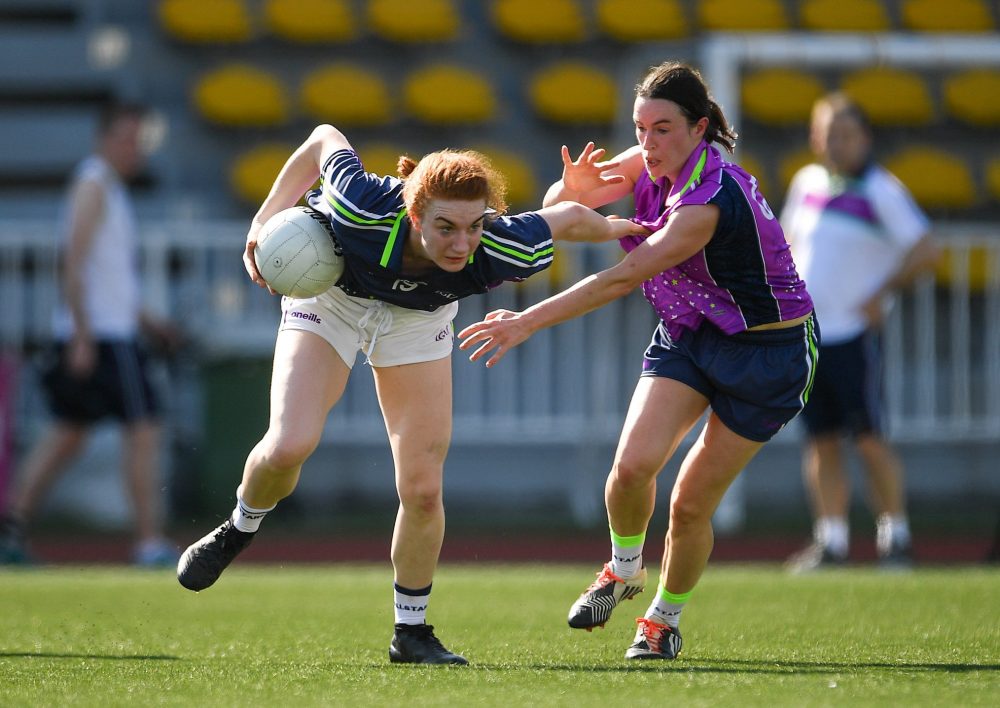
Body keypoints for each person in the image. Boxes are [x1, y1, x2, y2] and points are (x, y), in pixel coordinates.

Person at [174, 123, 646, 666]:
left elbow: (565, 220)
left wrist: (624, 229)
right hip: (333, 302)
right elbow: (324, 137)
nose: (461, 243)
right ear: (413, 214)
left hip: (419, 322)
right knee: (288, 445)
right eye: (444, 227)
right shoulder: (364, 204)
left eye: (473, 227)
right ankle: (239, 528)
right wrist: (260, 222)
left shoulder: (501, 246)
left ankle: (411, 633)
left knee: (422, 488)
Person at [458, 61, 818, 661]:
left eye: (663, 130)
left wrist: (525, 321)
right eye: (641, 128)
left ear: (700, 128)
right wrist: (567, 190)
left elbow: (619, 279)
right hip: (690, 330)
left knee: (689, 503)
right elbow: (567, 214)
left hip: (769, 355)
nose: (647, 144)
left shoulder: (705, 204)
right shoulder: (647, 160)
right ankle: (624, 572)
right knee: (629, 470)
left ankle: (662, 621)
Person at [0, 102, 180, 567]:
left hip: (106, 330)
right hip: (102, 337)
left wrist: (149, 322)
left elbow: (108, 277)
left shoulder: (107, 188)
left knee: (66, 434)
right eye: (124, 138)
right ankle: (148, 542)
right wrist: (81, 334)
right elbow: (73, 260)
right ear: (103, 139)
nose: (132, 149)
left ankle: (11, 533)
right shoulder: (94, 183)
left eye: (137, 140)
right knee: (144, 429)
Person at [781, 93, 940, 572]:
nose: (836, 143)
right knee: (821, 440)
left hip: (853, 334)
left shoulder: (880, 190)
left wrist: (882, 292)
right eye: (828, 133)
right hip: (808, 335)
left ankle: (896, 538)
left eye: (845, 134)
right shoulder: (806, 181)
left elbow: (925, 249)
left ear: (864, 138)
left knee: (868, 436)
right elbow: (786, 241)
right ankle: (830, 540)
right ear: (814, 137)